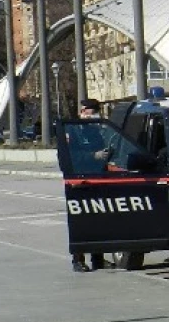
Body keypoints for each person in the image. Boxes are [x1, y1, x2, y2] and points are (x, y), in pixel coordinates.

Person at [69, 98, 109, 273]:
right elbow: (72, 157)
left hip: (98, 178)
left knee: (99, 219)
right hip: (79, 181)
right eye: (92, 113)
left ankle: (98, 258)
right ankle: (78, 259)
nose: (94, 116)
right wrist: (94, 156)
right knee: (81, 221)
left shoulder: (96, 130)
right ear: (83, 112)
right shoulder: (72, 131)